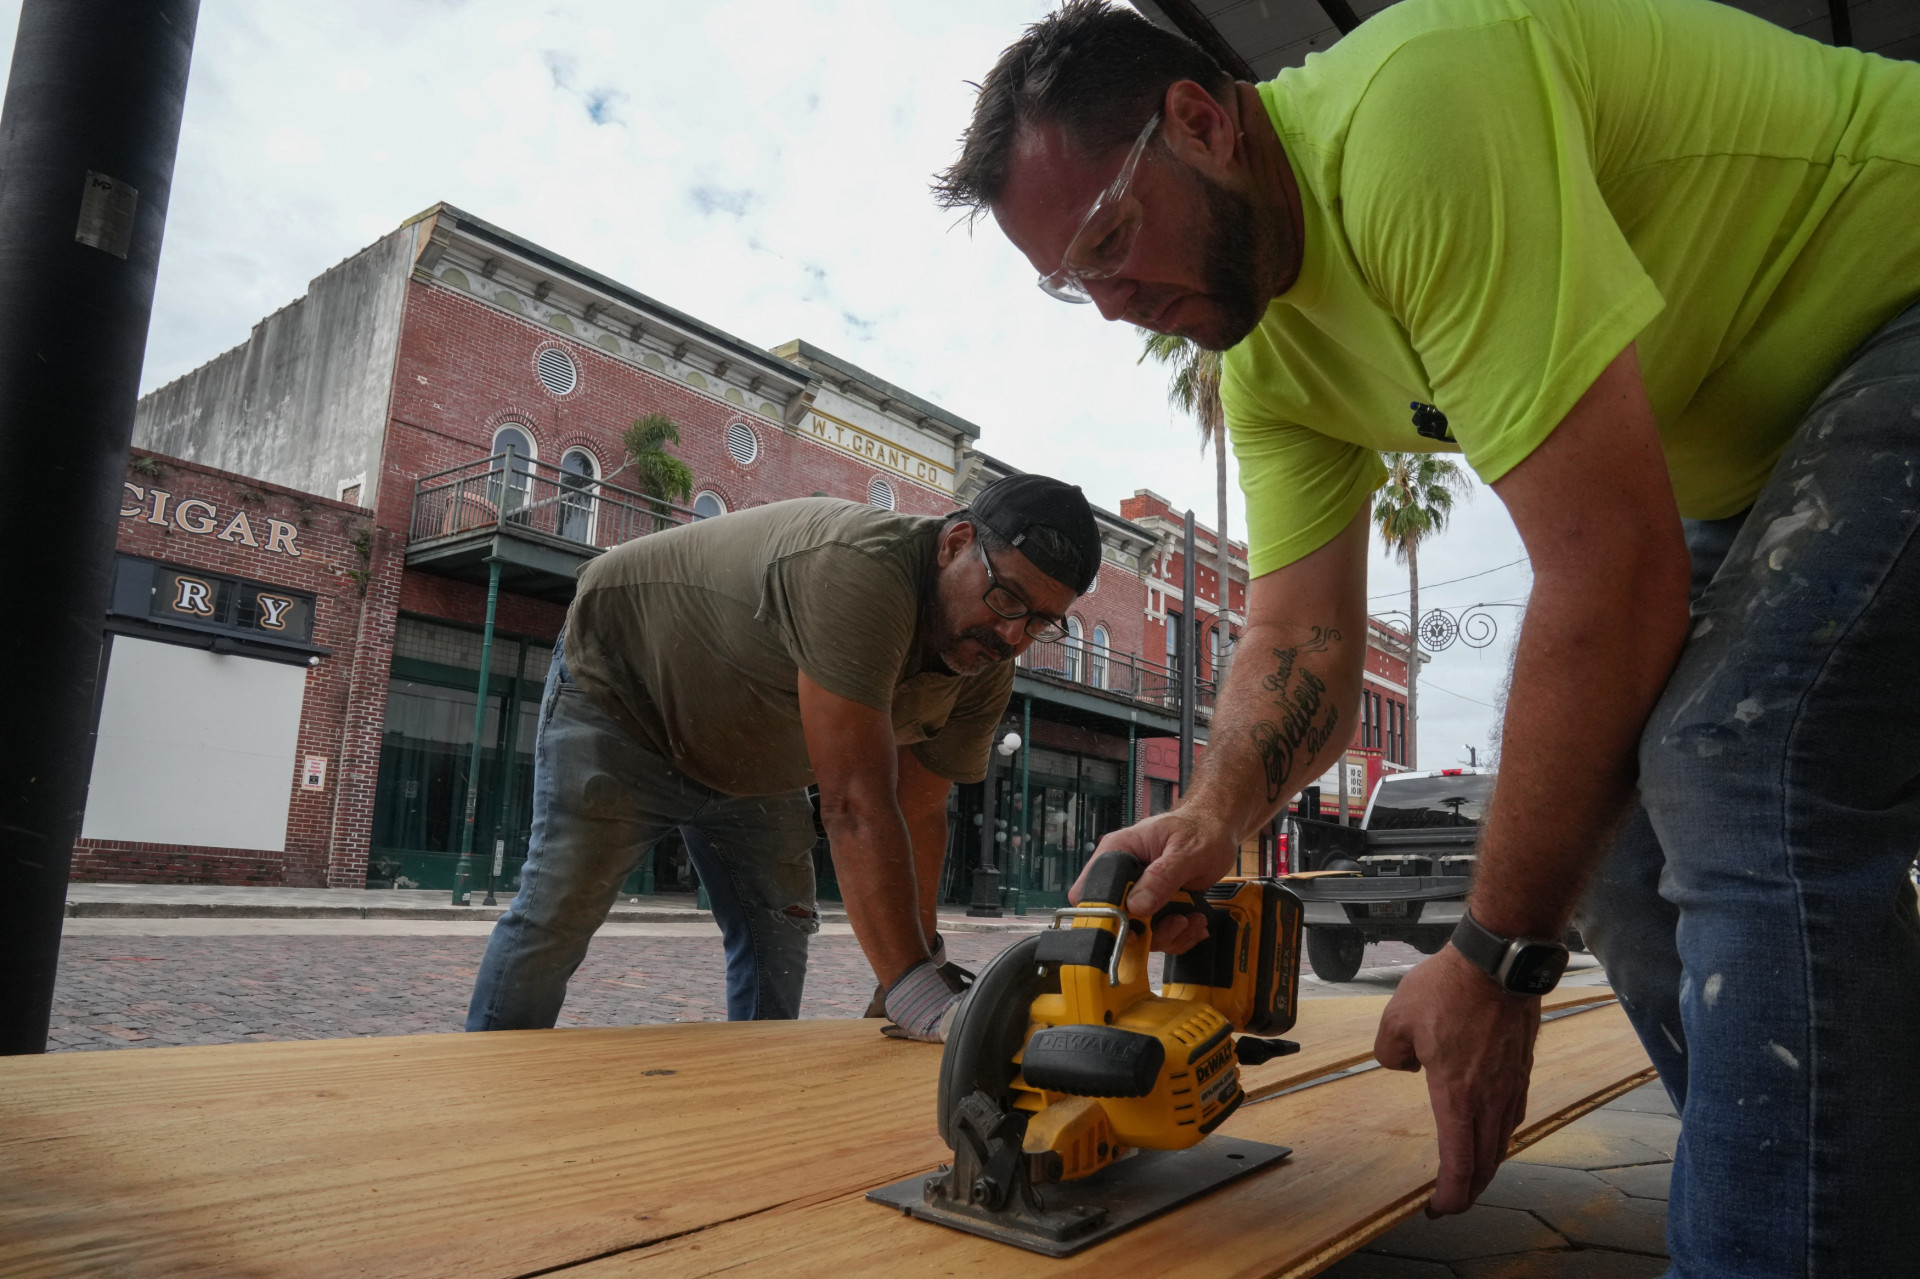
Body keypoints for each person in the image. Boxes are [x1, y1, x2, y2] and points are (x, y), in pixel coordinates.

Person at [935, 0, 1920, 1273]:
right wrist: (1216, 815)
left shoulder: (1412, 113)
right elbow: (1299, 638)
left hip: (1895, 298)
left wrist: (1496, 959)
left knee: (1741, 762)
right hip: (1758, 458)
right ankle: (1845, 1196)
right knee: (1611, 835)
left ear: (1198, 121)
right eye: (1079, 285)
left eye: (1112, 240)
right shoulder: (1267, 358)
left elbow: (1612, 571)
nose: (1117, 306)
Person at [465, 477, 1103, 1041]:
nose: (1014, 634)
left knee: (780, 936)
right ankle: (490, 1095)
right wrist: (918, 993)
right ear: (955, 543)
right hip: (628, 700)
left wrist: (918, 966)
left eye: (1044, 621)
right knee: (555, 919)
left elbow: (918, 811)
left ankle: (758, 1101)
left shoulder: (987, 658)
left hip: (752, 753)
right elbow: (856, 805)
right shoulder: (859, 570)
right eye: (1007, 597)